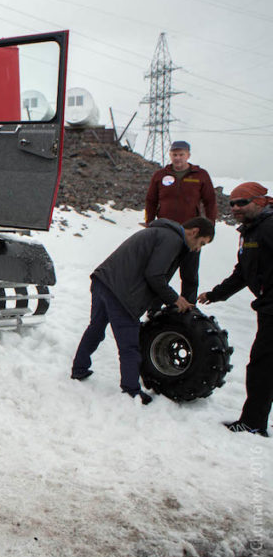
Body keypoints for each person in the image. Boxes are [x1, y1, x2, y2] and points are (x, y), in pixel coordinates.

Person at [71, 217, 215, 404]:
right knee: (130, 345)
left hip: (103, 281)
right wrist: (175, 299)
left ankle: (79, 369)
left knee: (96, 328)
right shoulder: (172, 240)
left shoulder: (160, 231)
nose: (198, 249)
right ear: (194, 232)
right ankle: (131, 391)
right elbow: (154, 275)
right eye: (201, 243)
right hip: (121, 293)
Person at [199, 181, 273, 437]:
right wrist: (215, 295)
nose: (235, 207)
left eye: (242, 202)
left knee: (261, 366)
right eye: (232, 203)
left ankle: (253, 423)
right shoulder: (250, 232)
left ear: (261, 202)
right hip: (267, 307)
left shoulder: (269, 227)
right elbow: (242, 274)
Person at [144, 140, 217, 303]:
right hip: (166, 233)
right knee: (160, 272)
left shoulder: (200, 175)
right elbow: (151, 200)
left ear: (188, 155)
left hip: (192, 233)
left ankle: (188, 308)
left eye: (181, 155)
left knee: (189, 274)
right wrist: (149, 223)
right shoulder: (160, 175)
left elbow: (210, 201)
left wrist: (210, 226)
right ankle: (154, 309)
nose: (177, 158)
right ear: (170, 155)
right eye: (174, 155)